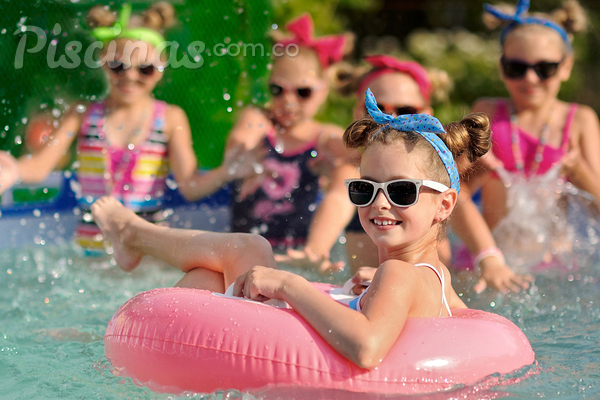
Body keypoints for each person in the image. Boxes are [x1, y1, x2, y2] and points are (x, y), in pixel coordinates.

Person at [89, 88, 486, 368]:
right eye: (365, 189)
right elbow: (462, 320)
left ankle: (134, 235)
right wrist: (381, 292)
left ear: (445, 204)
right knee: (208, 278)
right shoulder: (432, 277)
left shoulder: (399, 274)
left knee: (249, 251)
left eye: (401, 191)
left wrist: (287, 285)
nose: (379, 203)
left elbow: (367, 348)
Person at [0, 3, 259, 255]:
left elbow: (190, 185)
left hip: (150, 253)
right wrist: (13, 169)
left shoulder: (169, 118)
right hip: (93, 253)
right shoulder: (82, 114)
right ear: (103, 61)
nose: (130, 77)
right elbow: (39, 167)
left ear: (161, 68)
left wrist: (227, 171)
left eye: (145, 69)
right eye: (118, 66)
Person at [332, 54, 530, 293]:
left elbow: (459, 205)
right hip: (375, 285)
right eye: (364, 191)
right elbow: (336, 200)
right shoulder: (351, 169)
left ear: (425, 114)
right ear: (357, 113)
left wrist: (488, 258)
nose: (391, 120)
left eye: (402, 191)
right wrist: (317, 248)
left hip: (421, 286)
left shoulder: (430, 168)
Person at [470, 0, 600, 272]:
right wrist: (475, 172)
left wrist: (580, 173)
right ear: (501, 66)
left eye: (544, 69)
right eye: (516, 68)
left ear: (566, 67)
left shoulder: (579, 121)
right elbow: (452, 196)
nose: (530, 79)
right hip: (491, 257)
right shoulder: (487, 113)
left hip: (556, 263)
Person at [224, 14, 357, 273]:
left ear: (323, 91)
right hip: (244, 252)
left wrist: (342, 161)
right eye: (278, 90)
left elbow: (354, 160)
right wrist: (246, 148)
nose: (289, 100)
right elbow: (240, 139)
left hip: (294, 254)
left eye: (303, 92)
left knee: (348, 178)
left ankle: (315, 251)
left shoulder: (323, 137)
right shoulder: (259, 119)